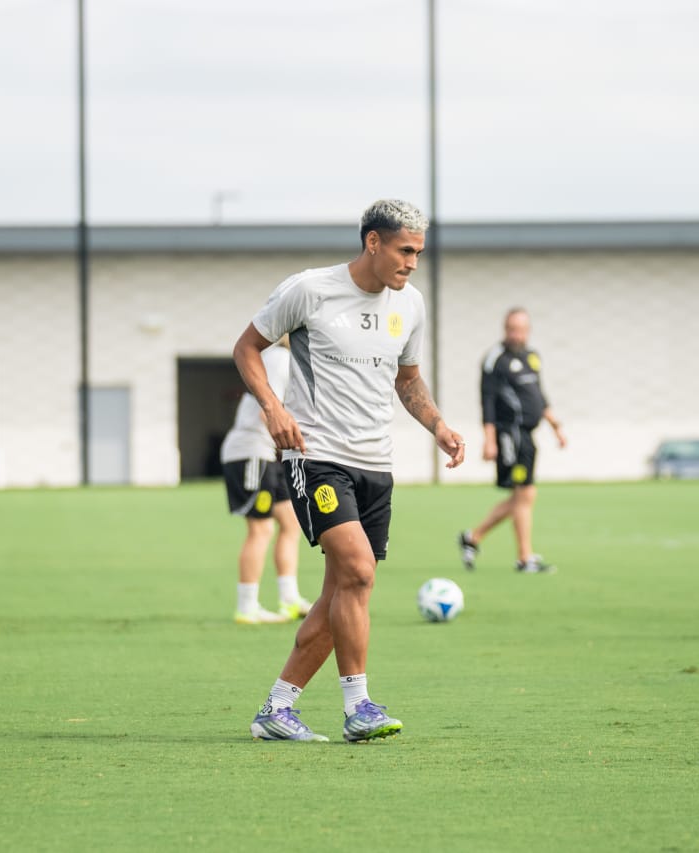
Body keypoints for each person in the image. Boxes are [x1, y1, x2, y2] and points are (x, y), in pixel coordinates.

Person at [233, 199, 465, 743]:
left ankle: (277, 708)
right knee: (358, 571)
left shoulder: (411, 306)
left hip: (375, 463)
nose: (412, 263)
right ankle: (358, 707)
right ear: (373, 243)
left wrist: (439, 426)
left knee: (343, 591)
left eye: (419, 254)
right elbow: (247, 348)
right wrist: (273, 408)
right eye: (405, 250)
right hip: (316, 456)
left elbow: (407, 381)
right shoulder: (310, 290)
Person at [457, 307, 566, 574]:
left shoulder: (532, 357)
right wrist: (489, 439)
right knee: (523, 494)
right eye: (511, 329)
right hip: (510, 435)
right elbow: (488, 402)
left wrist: (555, 426)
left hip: (528, 436)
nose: (516, 334)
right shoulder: (495, 360)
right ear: (504, 329)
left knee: (524, 495)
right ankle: (524, 558)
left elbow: (539, 395)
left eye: (521, 329)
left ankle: (472, 538)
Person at [220, 337, 313, 625]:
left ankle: (290, 599)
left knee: (290, 522)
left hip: (268, 454)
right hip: (250, 452)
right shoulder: (277, 359)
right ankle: (247, 607)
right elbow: (267, 412)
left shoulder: (288, 361)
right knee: (260, 529)